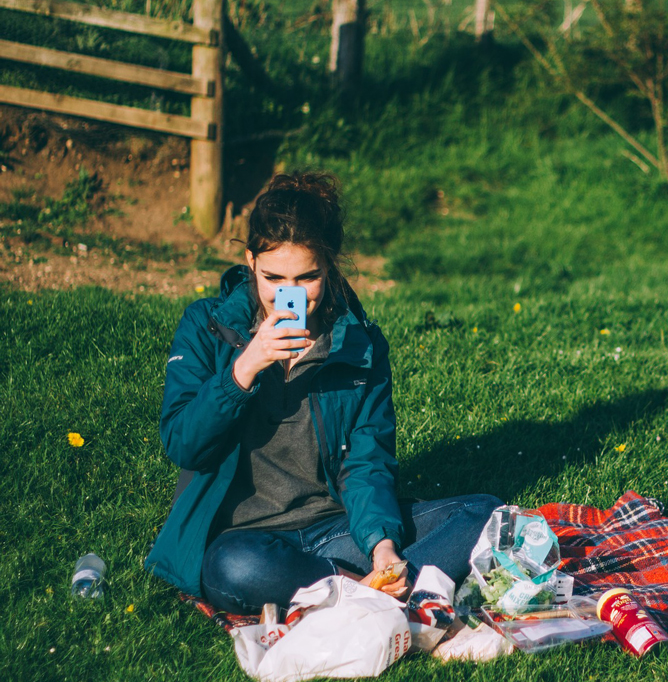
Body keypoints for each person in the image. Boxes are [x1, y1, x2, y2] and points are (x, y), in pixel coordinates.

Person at [144, 171, 501, 614]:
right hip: (245, 540)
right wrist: (243, 369)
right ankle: (379, 595)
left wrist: (383, 548)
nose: (288, 295)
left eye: (307, 278)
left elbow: (366, 461)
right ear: (251, 262)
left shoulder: (357, 344)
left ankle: (360, 587)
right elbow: (184, 444)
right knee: (232, 570)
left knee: (486, 514)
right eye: (274, 277)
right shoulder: (207, 326)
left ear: (328, 267)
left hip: (333, 530)